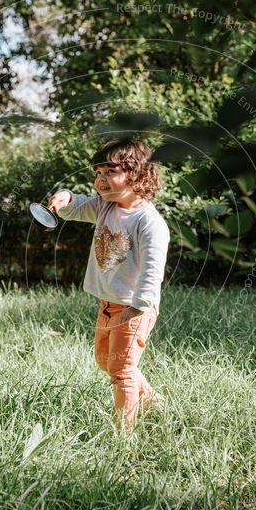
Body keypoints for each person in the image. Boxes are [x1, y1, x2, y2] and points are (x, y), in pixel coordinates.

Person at [48, 140, 170, 431]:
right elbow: (74, 207)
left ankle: (122, 436)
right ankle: (153, 400)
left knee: (121, 371)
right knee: (105, 361)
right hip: (108, 304)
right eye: (98, 172)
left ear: (138, 175)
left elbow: (153, 270)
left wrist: (138, 307)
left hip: (133, 308)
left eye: (109, 171)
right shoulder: (105, 206)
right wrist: (64, 197)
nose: (100, 179)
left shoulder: (148, 222)